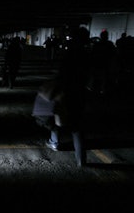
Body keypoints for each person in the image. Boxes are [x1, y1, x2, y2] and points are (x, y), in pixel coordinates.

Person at [44, 26, 91, 167]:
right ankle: (81, 159)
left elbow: (63, 75)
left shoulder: (70, 53)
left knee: (57, 115)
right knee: (77, 126)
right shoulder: (87, 54)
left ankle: (54, 142)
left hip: (66, 92)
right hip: (80, 92)